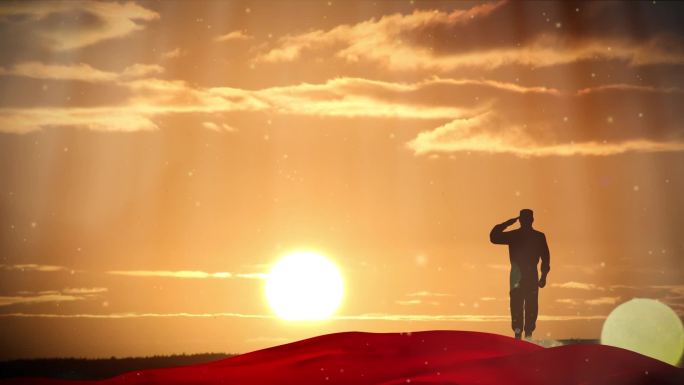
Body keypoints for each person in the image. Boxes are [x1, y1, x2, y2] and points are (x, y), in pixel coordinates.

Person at [490, 209, 550, 340]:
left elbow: (493, 236)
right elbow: (493, 238)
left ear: (521, 220)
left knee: (525, 305)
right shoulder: (536, 236)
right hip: (522, 274)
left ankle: (524, 334)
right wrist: (543, 276)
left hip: (522, 275)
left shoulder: (521, 236)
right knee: (524, 305)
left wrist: (507, 223)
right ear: (531, 220)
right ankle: (523, 334)